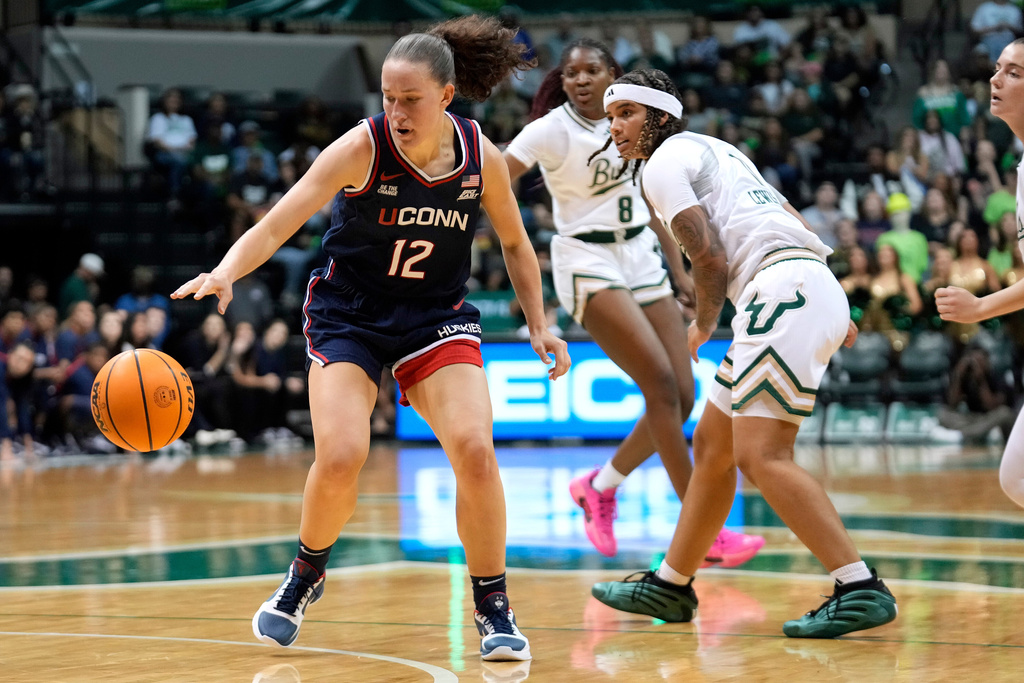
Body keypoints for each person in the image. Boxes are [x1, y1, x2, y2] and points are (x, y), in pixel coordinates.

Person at [171, 15, 569, 660]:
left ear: (446, 95)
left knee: (474, 448)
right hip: (349, 313)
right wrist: (224, 271)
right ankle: (305, 574)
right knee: (341, 455)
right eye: (388, 97)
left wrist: (540, 325)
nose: (397, 110)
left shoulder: (480, 157)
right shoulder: (362, 147)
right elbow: (279, 223)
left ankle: (493, 605)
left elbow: (518, 245)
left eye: (410, 99)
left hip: (434, 315)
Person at [590, 68, 897, 638]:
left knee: (763, 456)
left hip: (779, 292)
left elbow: (709, 258)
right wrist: (828, 297)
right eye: (610, 117)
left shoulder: (662, 164)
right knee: (713, 445)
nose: (616, 127)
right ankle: (673, 583)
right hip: (799, 286)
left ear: (660, 115)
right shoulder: (718, 150)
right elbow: (790, 219)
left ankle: (859, 586)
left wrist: (704, 322)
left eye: (627, 113)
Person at [502, 39, 764, 565]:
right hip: (585, 258)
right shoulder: (550, 130)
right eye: (571, 72)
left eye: (591, 70)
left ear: (613, 77)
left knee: (684, 396)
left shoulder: (632, 123)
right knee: (661, 387)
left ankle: (599, 486)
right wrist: (510, 234)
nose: (579, 79)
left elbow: (654, 197)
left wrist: (678, 268)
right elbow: (496, 177)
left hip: (641, 253)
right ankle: (702, 529)